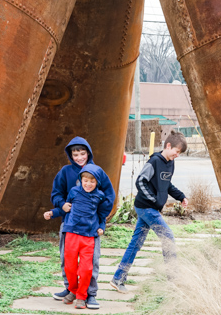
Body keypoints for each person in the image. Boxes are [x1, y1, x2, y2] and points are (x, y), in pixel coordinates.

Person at [110, 131, 188, 293]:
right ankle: (173, 280)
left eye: (179, 153)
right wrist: (153, 199)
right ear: (168, 146)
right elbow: (140, 181)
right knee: (168, 237)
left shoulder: (170, 163)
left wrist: (181, 197)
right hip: (146, 207)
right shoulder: (154, 162)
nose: (177, 155)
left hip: (150, 208)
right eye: (177, 151)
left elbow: (166, 185)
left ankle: (118, 278)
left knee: (136, 243)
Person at [48, 137, 114, 310]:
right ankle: (71, 289)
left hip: (91, 227)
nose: (79, 157)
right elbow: (56, 193)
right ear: (70, 155)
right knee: (66, 259)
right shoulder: (65, 171)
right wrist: (61, 204)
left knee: (91, 261)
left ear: (88, 153)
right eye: (75, 154)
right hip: (69, 224)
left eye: (82, 153)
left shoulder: (97, 171)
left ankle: (90, 294)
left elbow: (109, 196)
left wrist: (100, 217)